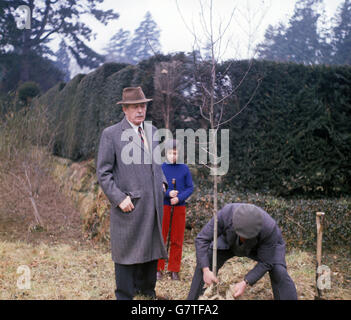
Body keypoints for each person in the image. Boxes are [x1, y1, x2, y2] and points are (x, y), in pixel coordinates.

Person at [96, 87, 168, 300]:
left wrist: (162, 182)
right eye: (135, 106)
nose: (140, 110)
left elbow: (158, 163)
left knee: (151, 247)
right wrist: (119, 199)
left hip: (154, 204)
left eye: (143, 106)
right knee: (126, 250)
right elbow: (103, 173)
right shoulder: (111, 135)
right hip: (130, 204)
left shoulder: (153, 131)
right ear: (125, 109)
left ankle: (147, 292)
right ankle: (125, 295)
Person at [187, 203, 298, 300]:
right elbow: (202, 239)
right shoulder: (226, 214)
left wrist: (245, 282)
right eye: (243, 235)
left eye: (247, 237)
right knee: (205, 260)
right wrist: (206, 270)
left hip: (259, 247)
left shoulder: (269, 228)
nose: (244, 239)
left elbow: (266, 262)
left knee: (279, 270)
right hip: (229, 241)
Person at [157, 139, 194, 281]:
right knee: (162, 236)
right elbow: (157, 186)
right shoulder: (161, 168)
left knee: (177, 239)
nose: (173, 156)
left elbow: (190, 187)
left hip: (179, 207)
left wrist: (179, 198)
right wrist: (167, 194)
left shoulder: (184, 168)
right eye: (171, 153)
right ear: (166, 153)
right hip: (164, 206)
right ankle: (158, 268)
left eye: (176, 153)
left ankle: (174, 269)